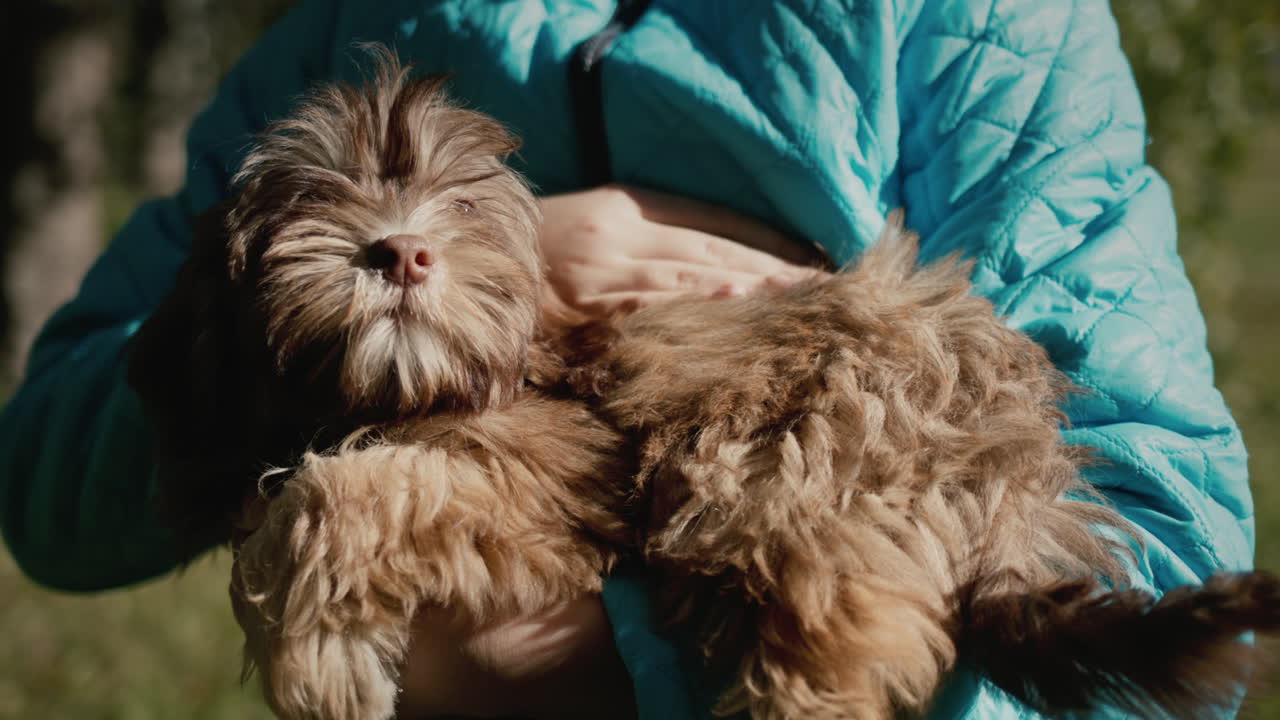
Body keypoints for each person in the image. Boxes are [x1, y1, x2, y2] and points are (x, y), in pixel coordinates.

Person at [0, 1, 1254, 718]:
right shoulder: (357, 24)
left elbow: (1168, 514)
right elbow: (51, 479)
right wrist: (520, 259)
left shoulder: (977, 21)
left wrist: (575, 670)